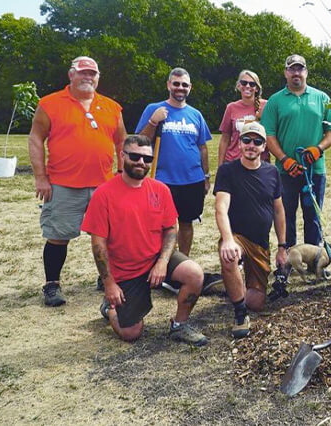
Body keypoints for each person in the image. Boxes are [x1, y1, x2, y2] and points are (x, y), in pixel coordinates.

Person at [82, 135, 208, 346]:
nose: (141, 162)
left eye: (147, 159)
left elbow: (170, 229)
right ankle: (110, 307)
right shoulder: (103, 194)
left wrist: (162, 262)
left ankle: (179, 325)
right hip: (125, 271)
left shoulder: (160, 190)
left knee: (194, 274)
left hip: (154, 260)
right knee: (131, 333)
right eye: (135, 156)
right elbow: (98, 244)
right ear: (122, 156)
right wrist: (109, 283)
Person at [28, 56, 126, 307]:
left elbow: (121, 141)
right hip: (63, 184)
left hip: (104, 186)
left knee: (110, 236)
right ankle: (52, 285)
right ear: (71, 75)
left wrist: (121, 172)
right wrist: (41, 177)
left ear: (98, 77)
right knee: (58, 236)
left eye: (92, 73)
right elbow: (36, 138)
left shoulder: (112, 107)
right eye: (82, 72)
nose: (88, 77)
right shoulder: (50, 104)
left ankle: (105, 277)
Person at [135, 67, 220, 294]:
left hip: (191, 179)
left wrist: (206, 175)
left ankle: (183, 264)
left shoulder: (195, 115)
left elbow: (202, 147)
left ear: (190, 88)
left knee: (186, 222)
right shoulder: (154, 109)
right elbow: (140, 142)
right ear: (168, 85)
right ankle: (156, 265)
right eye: (176, 84)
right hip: (162, 180)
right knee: (159, 225)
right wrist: (153, 122)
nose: (180, 88)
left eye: (184, 84)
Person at [260, 54, 331, 297]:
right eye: (292, 69)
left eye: (300, 69)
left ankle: (315, 264)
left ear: (306, 72)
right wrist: (285, 159)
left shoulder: (322, 98)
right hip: (286, 171)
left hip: (315, 171)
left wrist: (318, 149)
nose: (296, 73)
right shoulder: (275, 101)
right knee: (286, 217)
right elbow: (269, 136)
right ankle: (290, 263)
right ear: (285, 73)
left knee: (313, 217)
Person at [214, 122, 288, 338]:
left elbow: (279, 211)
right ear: (240, 143)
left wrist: (282, 246)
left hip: (260, 244)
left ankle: (227, 285)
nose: (251, 145)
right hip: (237, 237)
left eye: (257, 142)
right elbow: (220, 207)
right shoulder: (227, 171)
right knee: (230, 256)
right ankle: (239, 313)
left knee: (257, 302)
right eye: (247, 140)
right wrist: (227, 239)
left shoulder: (272, 172)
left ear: (264, 146)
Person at [218, 70, 269, 167]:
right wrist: (220, 166)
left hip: (259, 163)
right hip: (233, 162)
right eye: (244, 82)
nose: (248, 86)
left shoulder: (267, 106)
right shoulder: (231, 107)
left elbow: (272, 135)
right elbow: (225, 139)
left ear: (257, 88)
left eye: (252, 84)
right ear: (238, 86)